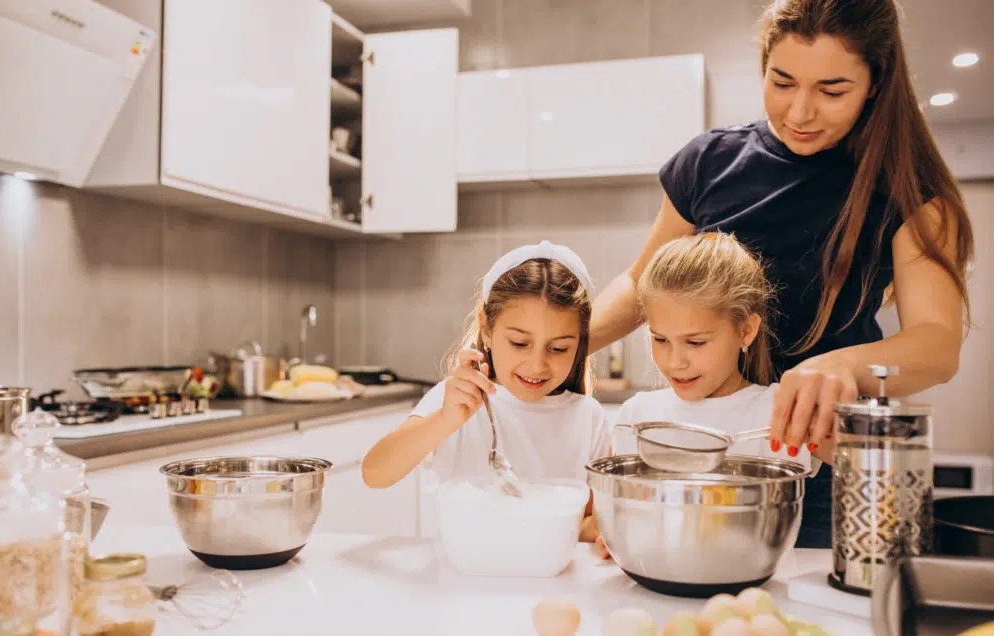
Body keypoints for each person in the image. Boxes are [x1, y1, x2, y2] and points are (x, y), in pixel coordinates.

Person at [589, 0, 974, 548]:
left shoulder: (909, 191)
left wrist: (841, 365)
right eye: (782, 81)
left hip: (826, 478)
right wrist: (562, 344)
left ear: (875, 82)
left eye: (832, 91)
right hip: (715, 469)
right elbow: (639, 283)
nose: (799, 112)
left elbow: (938, 345)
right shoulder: (709, 163)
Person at [361, 241, 611, 539]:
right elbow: (374, 474)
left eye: (558, 348)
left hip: (549, 579)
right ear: (487, 329)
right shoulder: (455, 400)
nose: (537, 365)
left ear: (579, 342)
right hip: (464, 577)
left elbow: (589, 522)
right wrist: (444, 420)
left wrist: (604, 530)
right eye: (519, 343)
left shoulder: (588, 417)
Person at [614, 232, 828, 472]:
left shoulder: (782, 411)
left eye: (695, 343)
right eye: (660, 339)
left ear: (746, 330)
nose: (675, 362)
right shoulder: (637, 416)